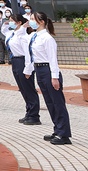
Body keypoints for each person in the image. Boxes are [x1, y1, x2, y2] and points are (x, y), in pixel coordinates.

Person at [24, 12, 72, 145]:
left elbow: (53, 59)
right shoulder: (34, 36)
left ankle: (64, 134)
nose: (31, 21)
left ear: (42, 22)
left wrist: (54, 77)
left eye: (33, 19)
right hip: (39, 70)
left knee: (57, 102)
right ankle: (57, 130)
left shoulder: (47, 38)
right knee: (50, 102)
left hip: (48, 70)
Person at [6, 14, 41, 126]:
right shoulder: (12, 34)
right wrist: (21, 28)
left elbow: (28, 54)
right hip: (15, 61)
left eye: (12, 21)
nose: (9, 22)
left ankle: (34, 115)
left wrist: (28, 69)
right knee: (23, 89)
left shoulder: (24, 37)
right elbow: (5, 32)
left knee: (29, 88)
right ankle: (29, 112)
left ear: (19, 22)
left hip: (23, 62)